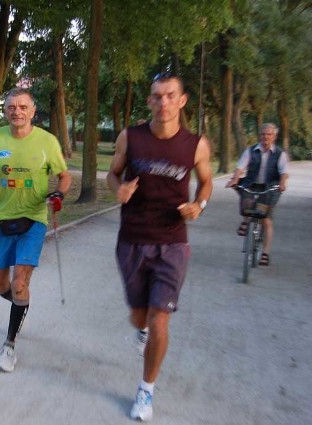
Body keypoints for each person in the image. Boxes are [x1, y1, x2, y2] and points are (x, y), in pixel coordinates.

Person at [106, 72, 213, 422]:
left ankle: (145, 391)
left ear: (182, 101)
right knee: (140, 316)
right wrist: (117, 189)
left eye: (170, 96)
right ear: (149, 100)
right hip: (132, 240)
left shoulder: (196, 144)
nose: (163, 102)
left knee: (160, 317)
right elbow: (113, 173)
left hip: (172, 243)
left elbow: (207, 182)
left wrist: (199, 205)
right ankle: (142, 329)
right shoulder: (130, 137)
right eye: (156, 96)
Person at [0, 87, 71, 373]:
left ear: (33, 111)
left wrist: (59, 195)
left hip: (33, 220)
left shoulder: (47, 141)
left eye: (22, 107)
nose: (16, 111)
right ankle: (21, 307)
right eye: (11, 107)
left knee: (20, 282)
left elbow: (64, 175)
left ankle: (8, 347)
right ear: (5, 111)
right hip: (0, 219)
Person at [225, 123, 289, 266]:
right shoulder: (250, 151)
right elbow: (240, 167)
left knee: (266, 219)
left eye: (269, 134)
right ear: (259, 136)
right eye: (263, 134)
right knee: (246, 200)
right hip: (252, 183)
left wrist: (283, 183)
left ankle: (265, 253)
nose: (265, 137)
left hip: (270, 186)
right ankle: (246, 222)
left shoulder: (280, 154)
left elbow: (284, 171)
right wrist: (235, 179)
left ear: (274, 137)